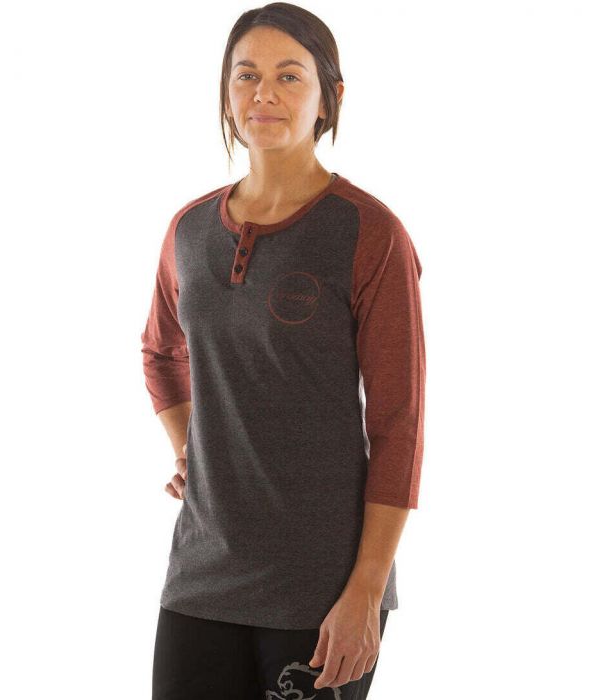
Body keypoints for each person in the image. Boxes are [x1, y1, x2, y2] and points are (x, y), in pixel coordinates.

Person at [140, 3, 426, 698]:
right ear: (226, 92)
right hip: (202, 574)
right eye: (247, 75)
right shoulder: (189, 231)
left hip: (323, 587)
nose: (263, 93)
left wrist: (366, 593)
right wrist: (189, 449)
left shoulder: (369, 233)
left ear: (330, 97)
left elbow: (400, 425)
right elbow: (161, 353)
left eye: (289, 76)